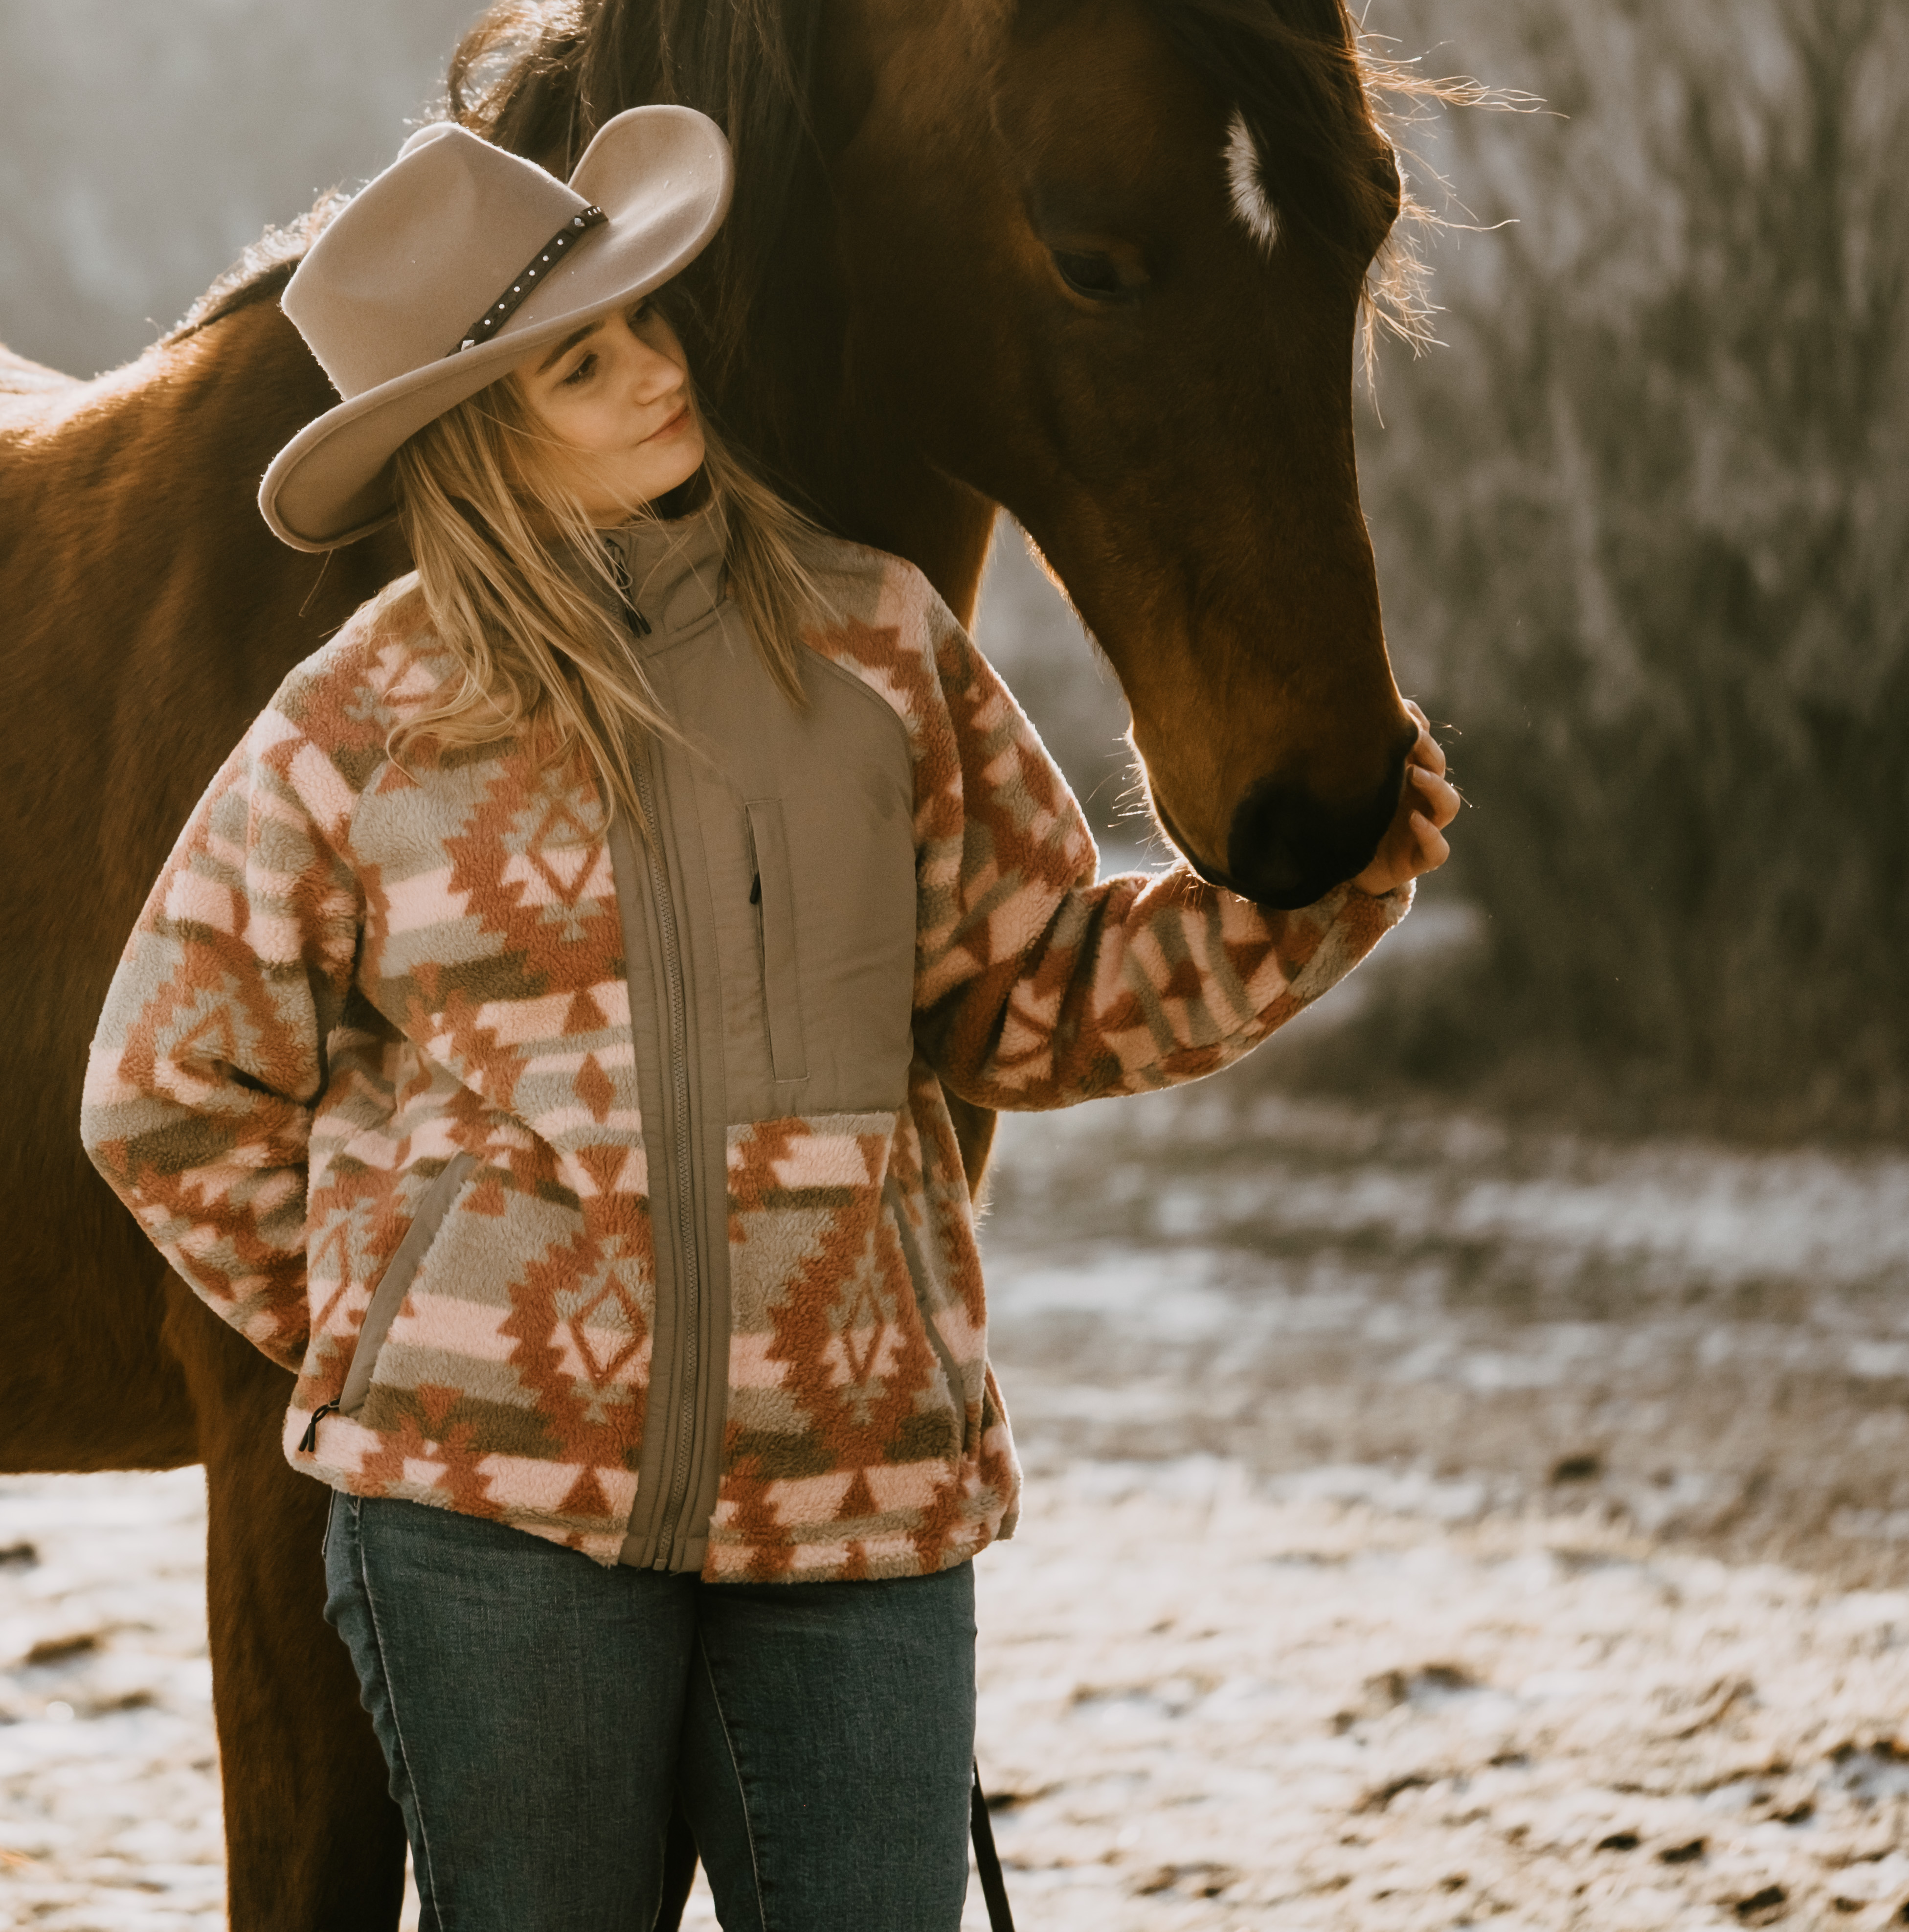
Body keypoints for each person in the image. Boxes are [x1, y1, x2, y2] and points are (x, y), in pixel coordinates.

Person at [82, 108, 1457, 1930]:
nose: (661, 369)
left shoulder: (875, 642)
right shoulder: (366, 719)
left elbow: (1035, 996)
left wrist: (1318, 899)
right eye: (586, 360)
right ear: (478, 433)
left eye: (647, 318)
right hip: (494, 1536)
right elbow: (166, 1085)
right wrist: (400, 1326)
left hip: (858, 1499)